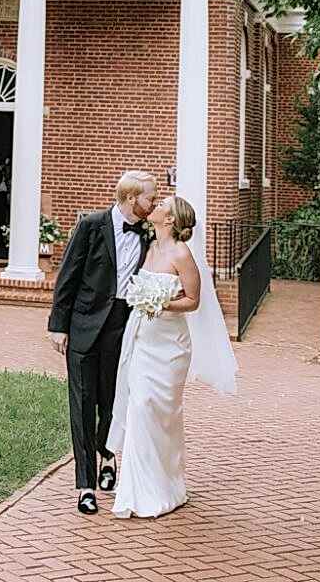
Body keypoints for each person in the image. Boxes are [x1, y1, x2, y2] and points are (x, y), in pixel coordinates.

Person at [107, 195, 238, 519]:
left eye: (163, 204)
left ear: (170, 219)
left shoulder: (182, 254)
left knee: (162, 414)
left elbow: (193, 300)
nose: (156, 206)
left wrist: (160, 304)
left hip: (170, 347)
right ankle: (135, 491)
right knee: (139, 407)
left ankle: (167, 486)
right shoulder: (150, 246)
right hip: (141, 341)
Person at [47, 170, 158, 515]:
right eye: (149, 198)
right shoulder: (91, 226)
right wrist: (58, 326)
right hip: (82, 325)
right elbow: (68, 275)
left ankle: (107, 457)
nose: (153, 204)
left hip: (123, 327)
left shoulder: (150, 234)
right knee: (82, 404)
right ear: (130, 198)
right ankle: (85, 486)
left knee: (113, 399)